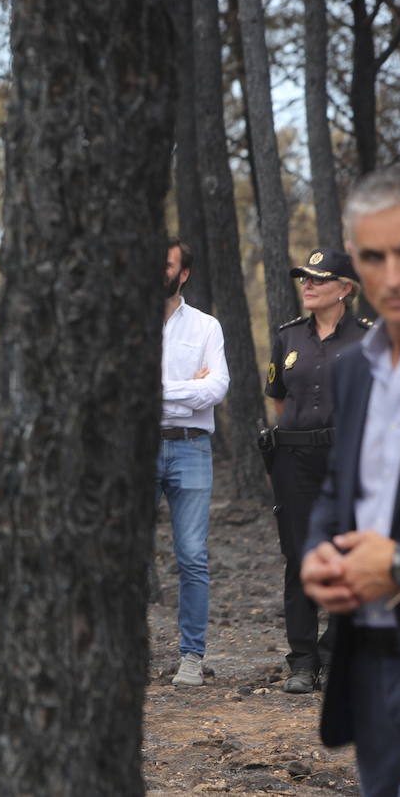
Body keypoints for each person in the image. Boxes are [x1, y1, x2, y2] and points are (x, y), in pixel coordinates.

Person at [301, 166, 400, 795]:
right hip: (368, 658)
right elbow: (340, 493)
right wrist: (320, 551)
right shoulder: (354, 373)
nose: (392, 276)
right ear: (355, 270)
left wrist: (395, 565)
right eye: (374, 256)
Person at [265, 248, 370, 694]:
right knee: (300, 558)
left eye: (319, 279)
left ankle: (336, 652)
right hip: (295, 462)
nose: (307, 285)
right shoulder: (288, 338)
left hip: (349, 460)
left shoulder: (371, 338)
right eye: (304, 278)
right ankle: (302, 661)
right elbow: (278, 398)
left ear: (345, 289)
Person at [156, 239, 230, 687]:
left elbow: (217, 388)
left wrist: (158, 392)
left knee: (192, 556)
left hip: (192, 448)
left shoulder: (206, 326)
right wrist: (187, 388)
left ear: (183, 274)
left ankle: (191, 657)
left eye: (164, 264)